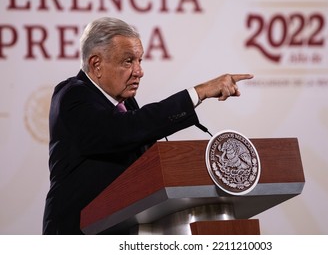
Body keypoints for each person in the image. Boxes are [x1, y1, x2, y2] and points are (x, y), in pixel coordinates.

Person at [42, 17, 253, 234]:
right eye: (128, 61)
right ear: (96, 64)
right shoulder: (72, 94)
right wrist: (197, 93)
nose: (139, 71)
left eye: (140, 61)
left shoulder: (127, 102)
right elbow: (124, 130)